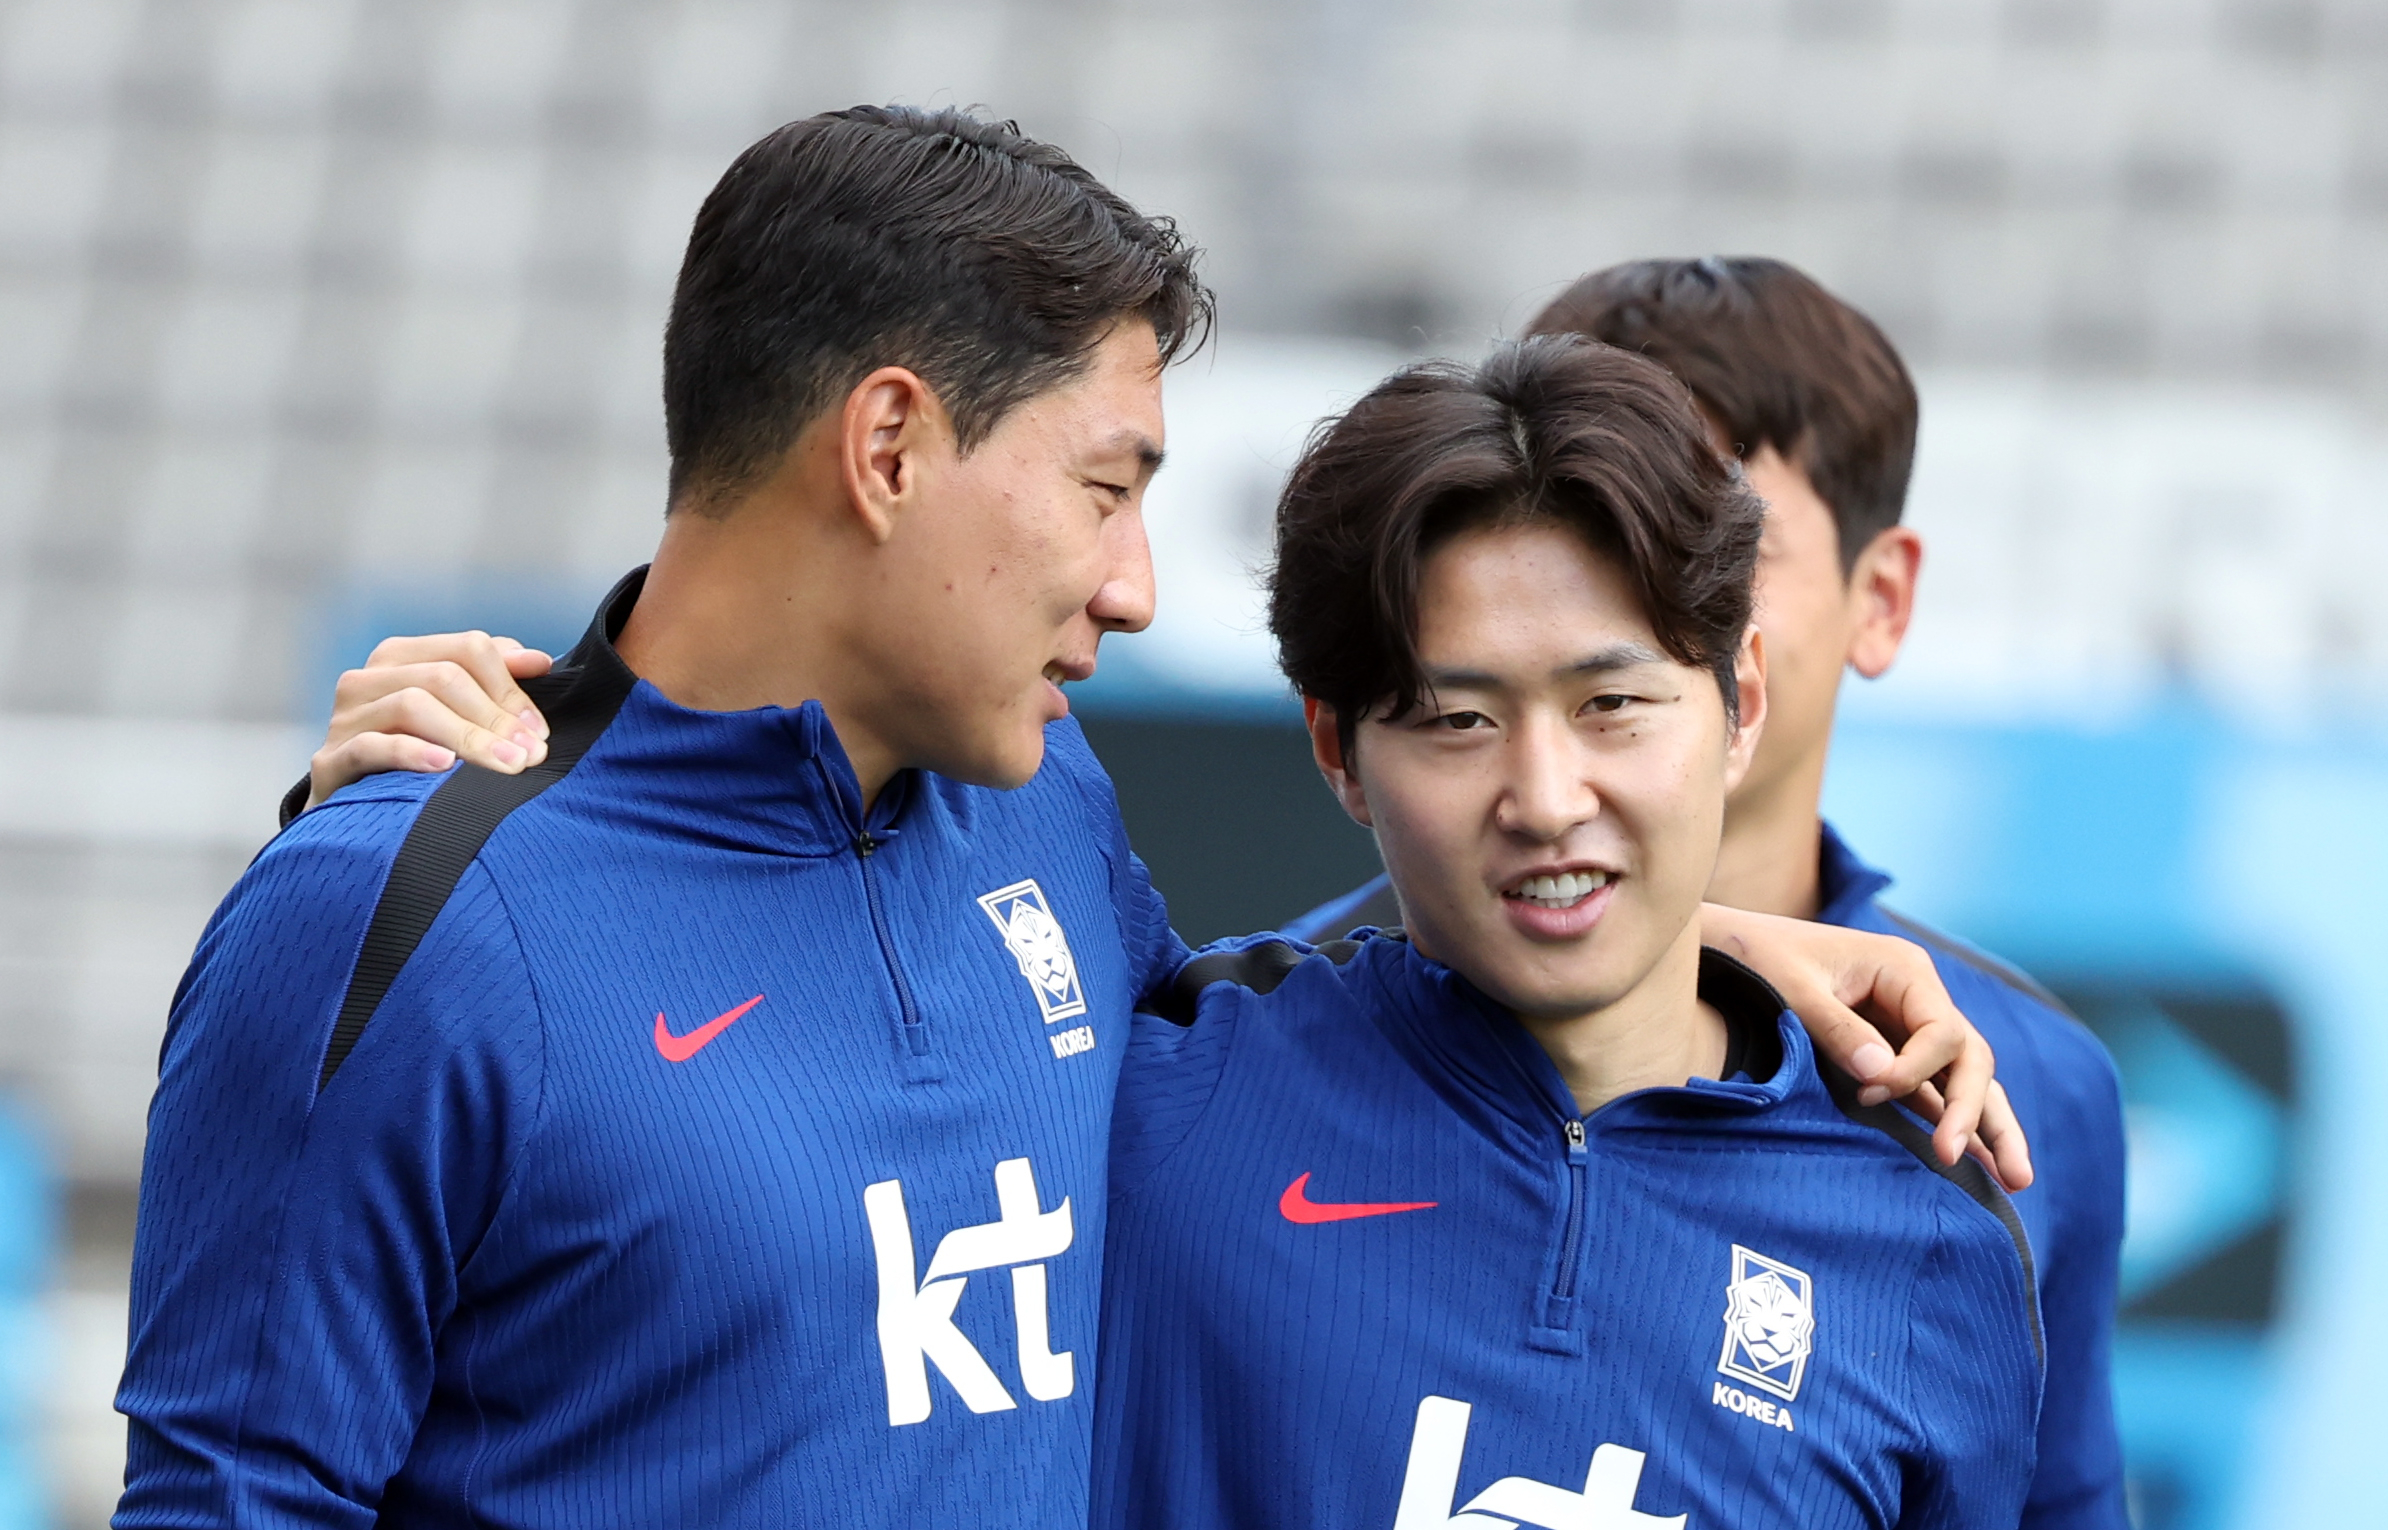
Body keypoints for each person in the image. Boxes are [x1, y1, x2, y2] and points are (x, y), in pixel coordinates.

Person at [167, 109, 2018, 1526]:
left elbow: (1312, 1011)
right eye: (1106, 488)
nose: (1133, 588)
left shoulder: (1039, 813)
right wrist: (392, 854)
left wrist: (1704, 935)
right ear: (887, 449)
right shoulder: (400, 913)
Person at [1097, 335, 2040, 1528]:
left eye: (1613, 706)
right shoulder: (1167, 1086)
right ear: (1337, 749)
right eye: (1457, 719)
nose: (1546, 799)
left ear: (1740, 702)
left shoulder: (1926, 1232)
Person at [1289, 257, 2126, 1529]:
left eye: (1722, 527)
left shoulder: (2031, 1088)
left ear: (1879, 597)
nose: (1656, 565)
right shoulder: (1272, 1029)